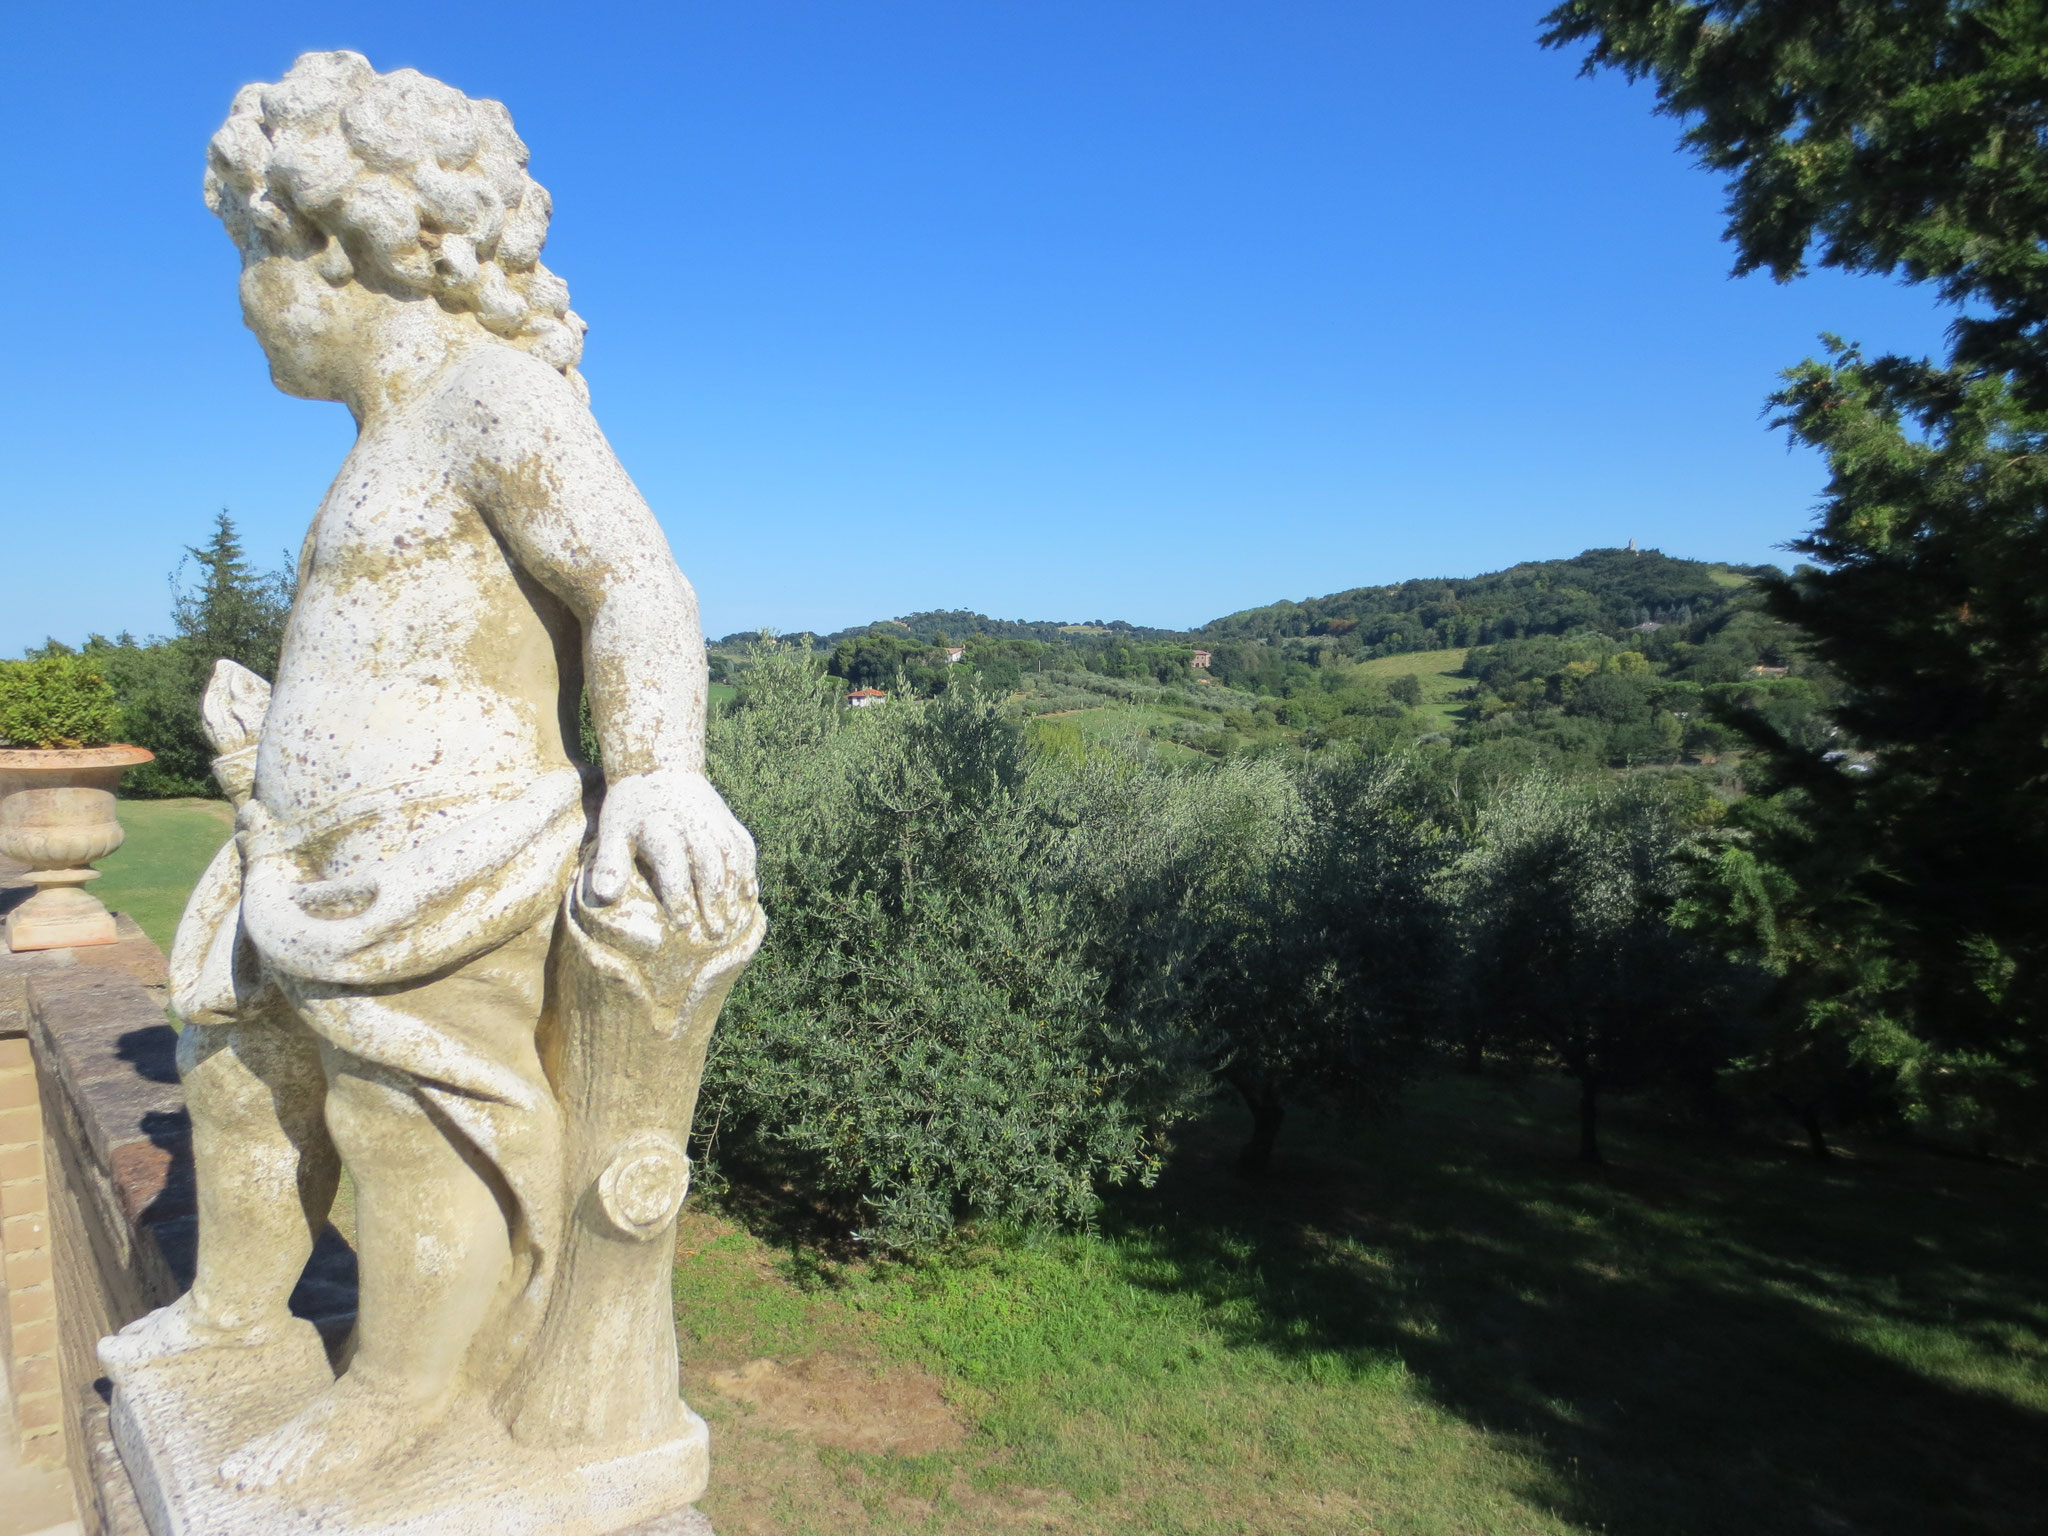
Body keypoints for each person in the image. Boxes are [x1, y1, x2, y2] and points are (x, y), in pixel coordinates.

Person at [98, 51, 758, 1492]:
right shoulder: (377, 446)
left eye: (253, 259)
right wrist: (278, 730)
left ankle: (402, 1392)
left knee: (406, 1135)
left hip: (445, 868)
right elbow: (405, 649)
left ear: (333, 252)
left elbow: (635, 580)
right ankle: (229, 1307)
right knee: (236, 1086)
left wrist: (655, 769)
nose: (243, 298)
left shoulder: (492, 398)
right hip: (304, 859)